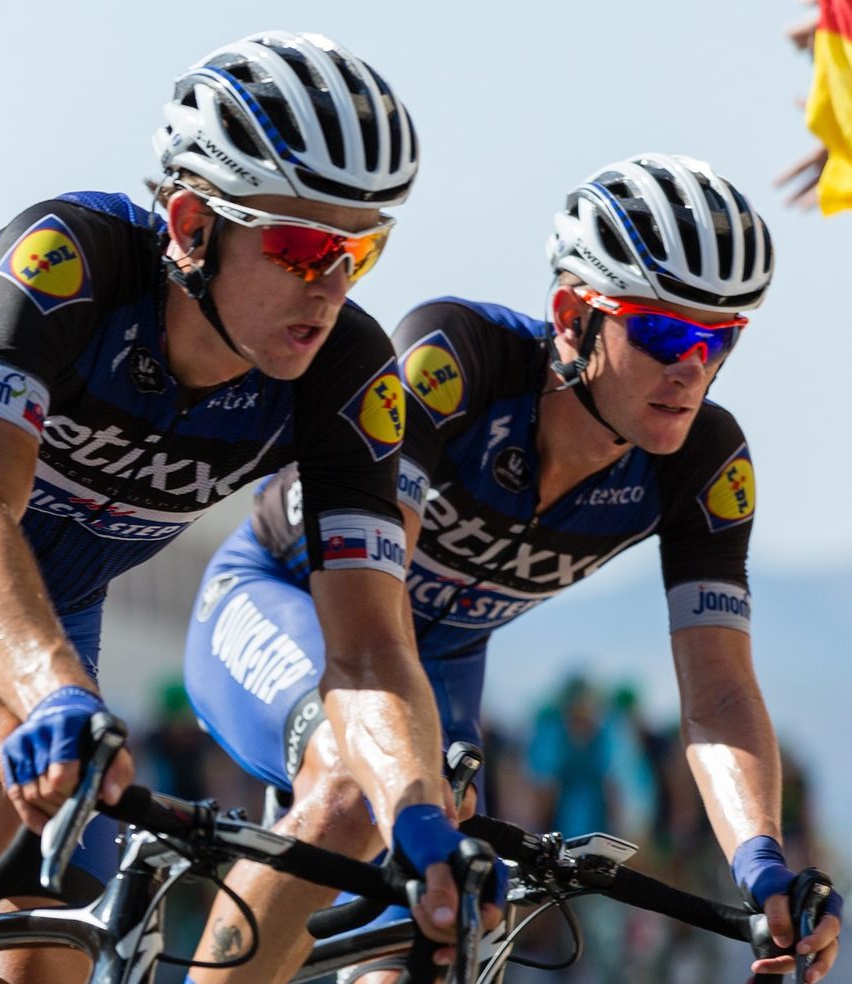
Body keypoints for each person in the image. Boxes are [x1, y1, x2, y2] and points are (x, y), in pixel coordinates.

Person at [0, 31, 488, 984]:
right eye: (303, 248)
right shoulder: (71, 263)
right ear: (190, 222)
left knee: (43, 965)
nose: (332, 287)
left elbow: (372, 651)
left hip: (42, 614)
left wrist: (419, 819)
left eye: (361, 251)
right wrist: (58, 691)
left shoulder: (346, 370)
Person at [181, 153, 842, 982]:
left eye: (721, 338)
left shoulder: (706, 461)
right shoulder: (454, 365)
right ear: (573, 314)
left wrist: (763, 866)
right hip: (293, 603)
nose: (693, 368)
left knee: (437, 942)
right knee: (355, 789)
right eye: (665, 332)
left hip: (439, 666)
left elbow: (718, 693)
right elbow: (369, 629)